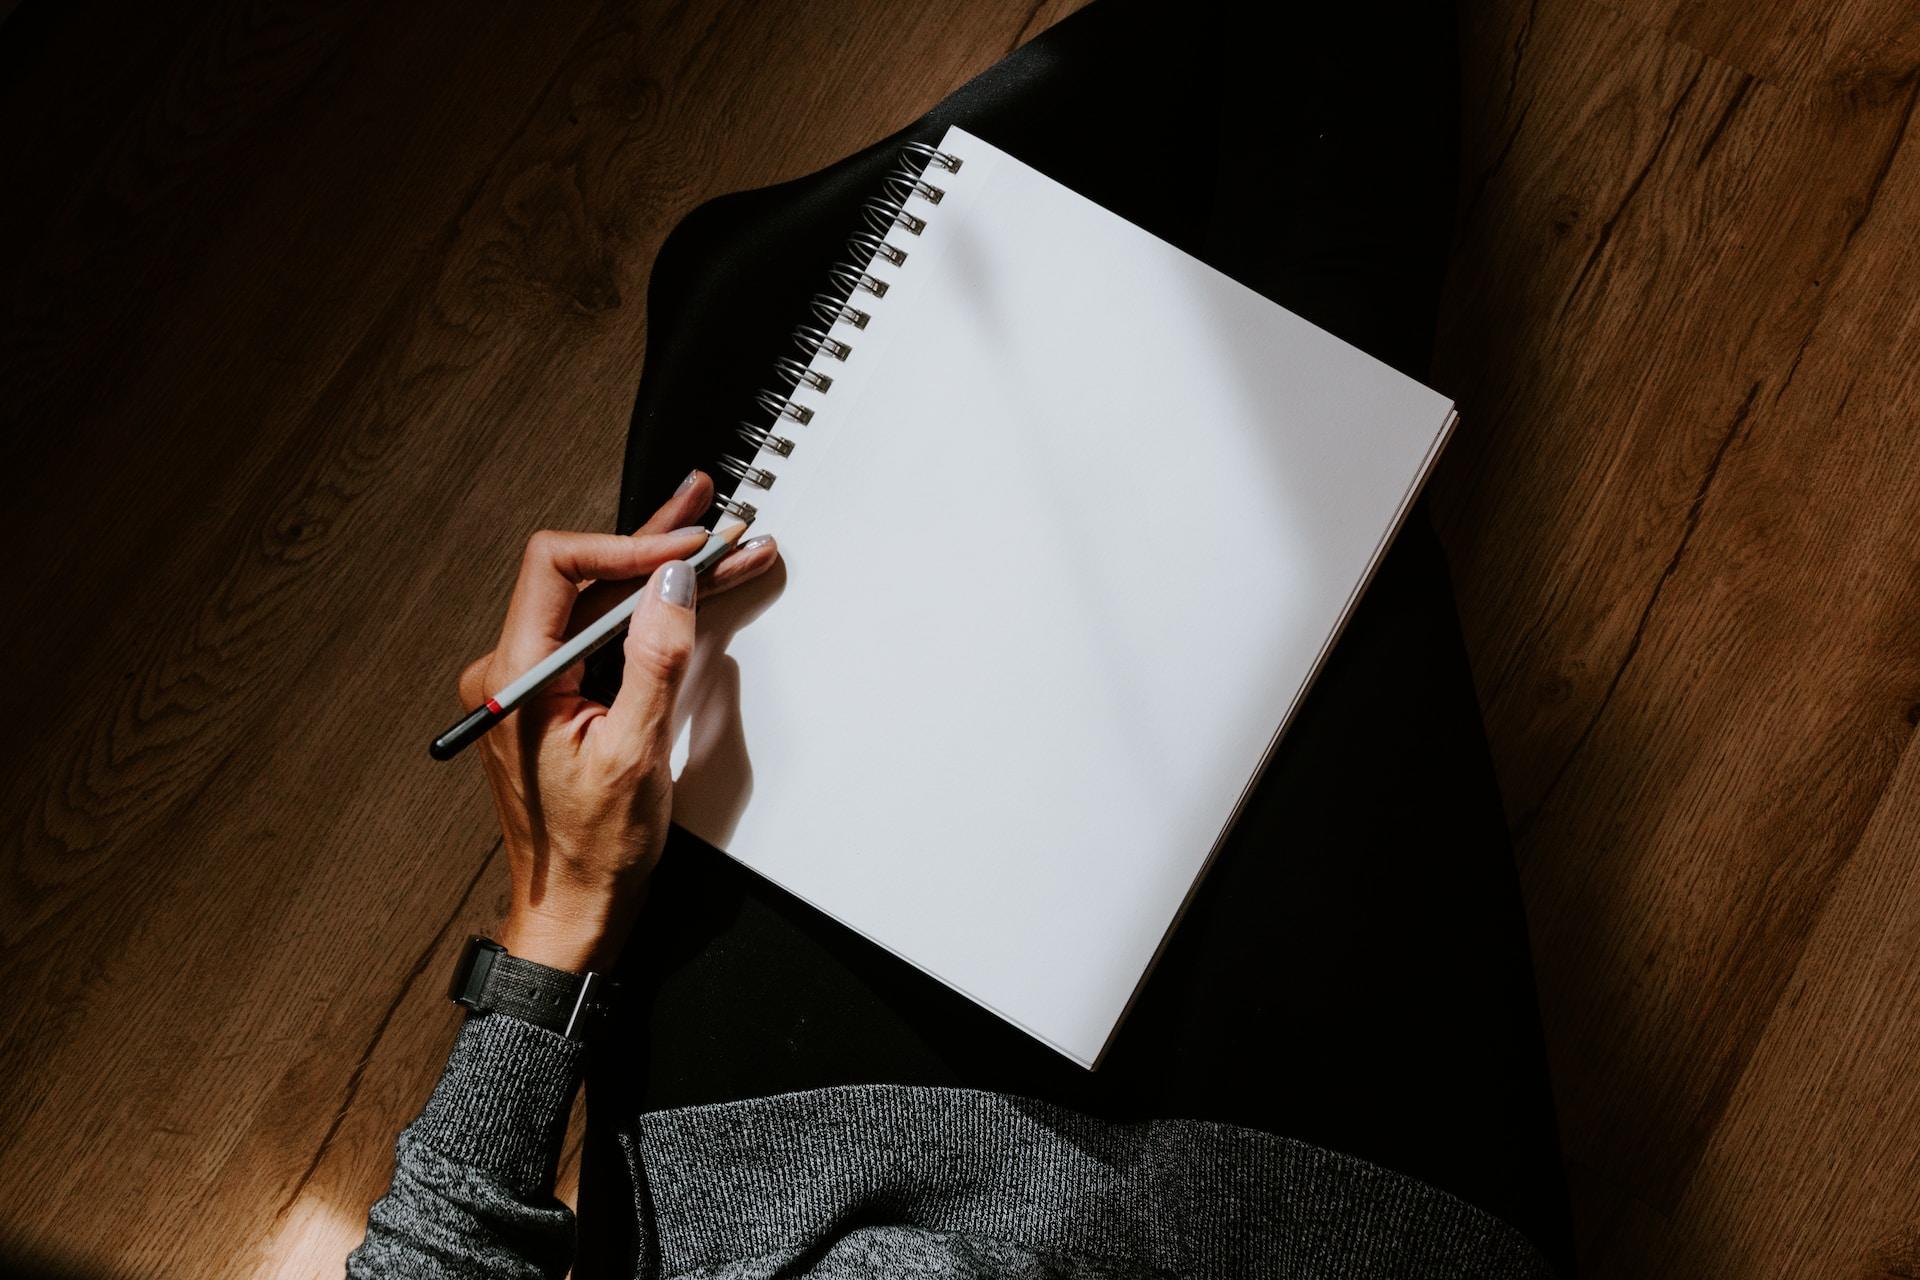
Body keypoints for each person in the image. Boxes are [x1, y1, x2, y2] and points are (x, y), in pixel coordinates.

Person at [346, 466, 1559, 1279]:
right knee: (1331, 508)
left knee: (743, 304)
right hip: (1339, 1226)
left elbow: (436, 1255)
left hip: (794, 1189)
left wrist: (556, 916)